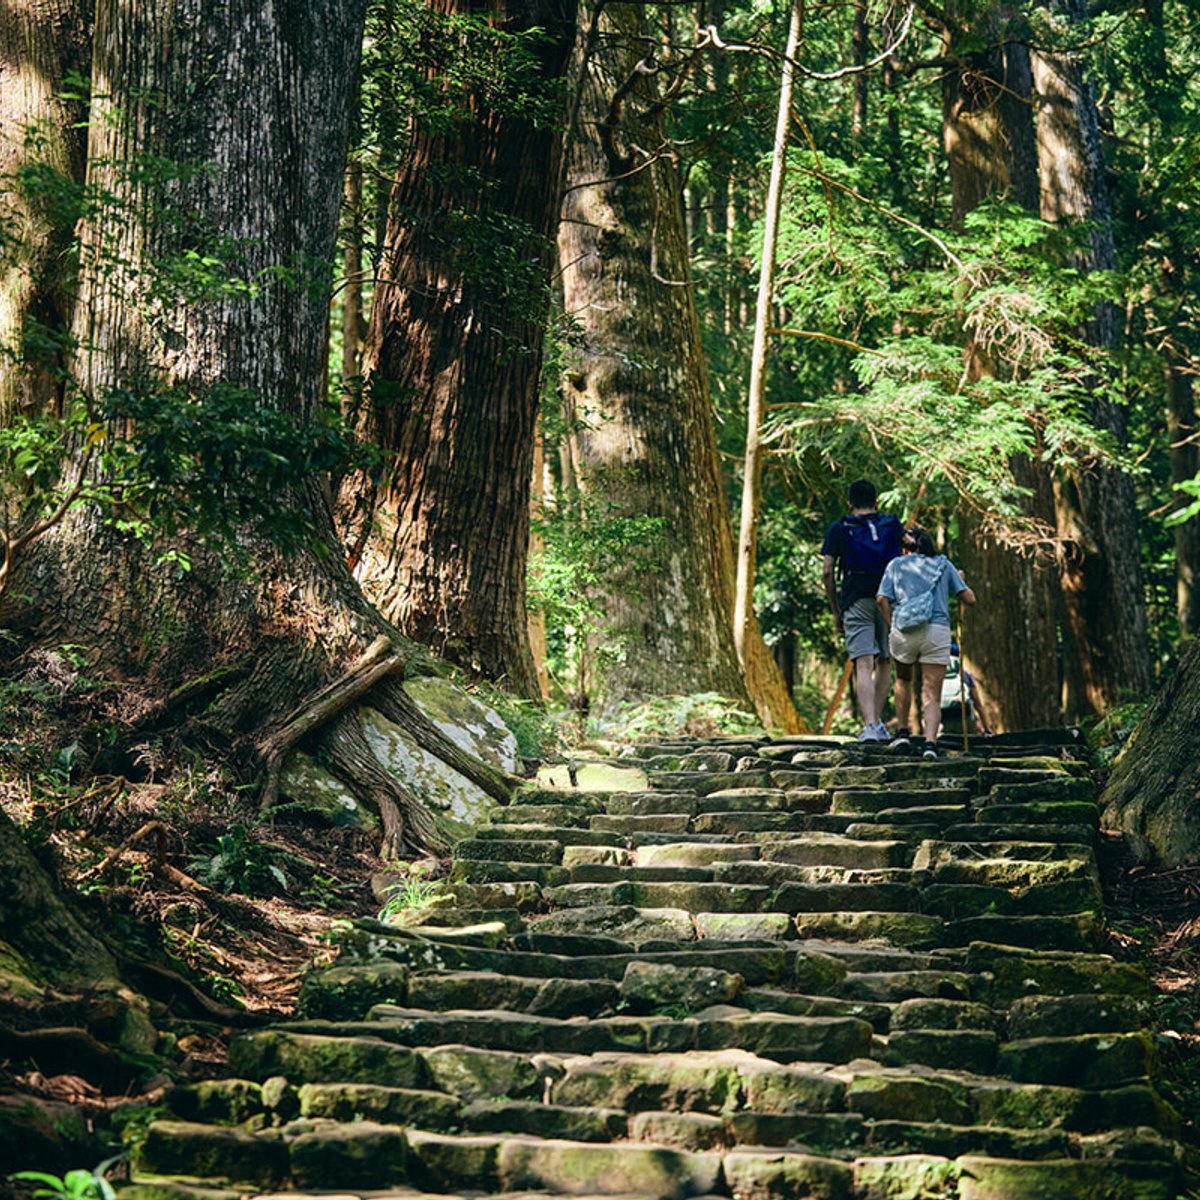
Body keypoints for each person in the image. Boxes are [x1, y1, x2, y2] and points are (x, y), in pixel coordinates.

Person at [876, 527, 976, 758]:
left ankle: (902, 733)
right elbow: (969, 599)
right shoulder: (943, 564)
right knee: (932, 690)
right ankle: (930, 744)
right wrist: (960, 580)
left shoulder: (896, 565)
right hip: (937, 631)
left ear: (904, 548)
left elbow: (882, 599)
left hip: (904, 630)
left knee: (903, 679)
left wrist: (892, 624)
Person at [822, 480, 903, 742]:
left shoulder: (839, 528)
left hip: (856, 597)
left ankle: (869, 726)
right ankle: (879, 723)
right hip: (888, 598)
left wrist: (836, 610)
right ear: (877, 503)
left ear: (850, 504)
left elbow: (827, 571)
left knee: (863, 661)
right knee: (885, 661)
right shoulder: (891, 524)